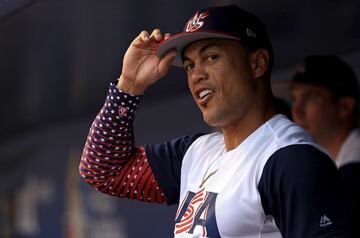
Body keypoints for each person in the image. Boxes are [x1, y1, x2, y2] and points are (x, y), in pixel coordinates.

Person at [79, 5, 351, 237]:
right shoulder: (197, 152)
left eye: (211, 57)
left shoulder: (291, 158)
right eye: (190, 65)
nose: (197, 75)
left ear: (257, 64)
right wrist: (129, 86)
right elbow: (103, 171)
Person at [290, 55, 360, 238]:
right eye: (294, 99)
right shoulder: (326, 166)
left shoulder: (354, 173)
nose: (297, 111)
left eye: (310, 98)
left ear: (345, 107)